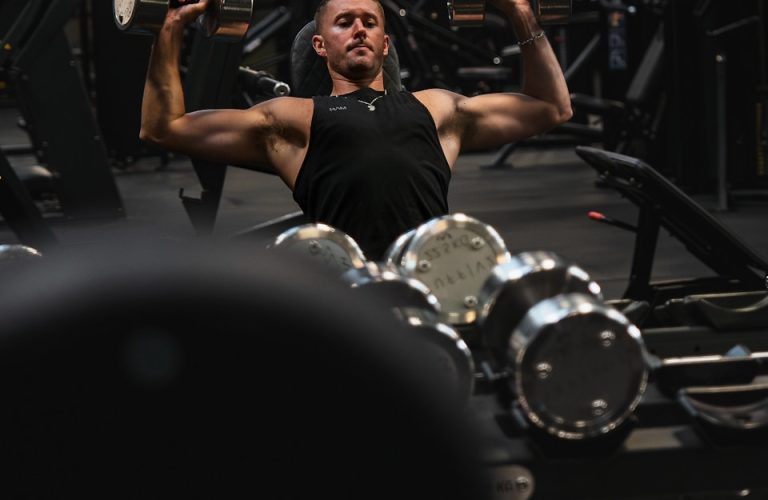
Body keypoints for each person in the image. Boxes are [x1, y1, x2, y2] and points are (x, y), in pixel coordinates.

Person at [140, 0, 572, 259]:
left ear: (386, 44)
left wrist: (518, 12)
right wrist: (171, 28)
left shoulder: (437, 109)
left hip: (429, 280)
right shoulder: (293, 119)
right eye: (344, 22)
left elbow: (551, 107)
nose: (359, 29)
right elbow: (164, 128)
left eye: (369, 21)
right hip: (348, 288)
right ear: (320, 45)